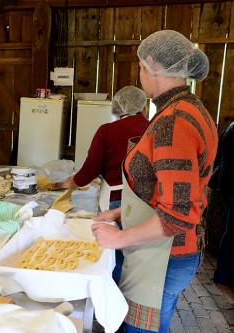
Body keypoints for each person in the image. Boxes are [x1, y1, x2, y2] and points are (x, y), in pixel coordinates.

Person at [91, 30, 217, 333]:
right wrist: (123, 214)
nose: (139, 74)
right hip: (165, 250)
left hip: (164, 256)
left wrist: (118, 238)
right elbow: (172, 189)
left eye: (139, 66)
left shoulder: (174, 122)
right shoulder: (188, 109)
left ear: (151, 65)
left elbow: (177, 214)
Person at [63, 86, 149, 210]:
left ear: (117, 108)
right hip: (147, 201)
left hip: (116, 200)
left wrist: (74, 181)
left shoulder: (107, 131)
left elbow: (92, 168)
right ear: (143, 108)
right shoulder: (154, 128)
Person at [209, 119, 234, 287]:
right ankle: (224, 274)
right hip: (231, 183)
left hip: (227, 181)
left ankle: (224, 273)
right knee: (232, 231)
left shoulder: (230, 126)